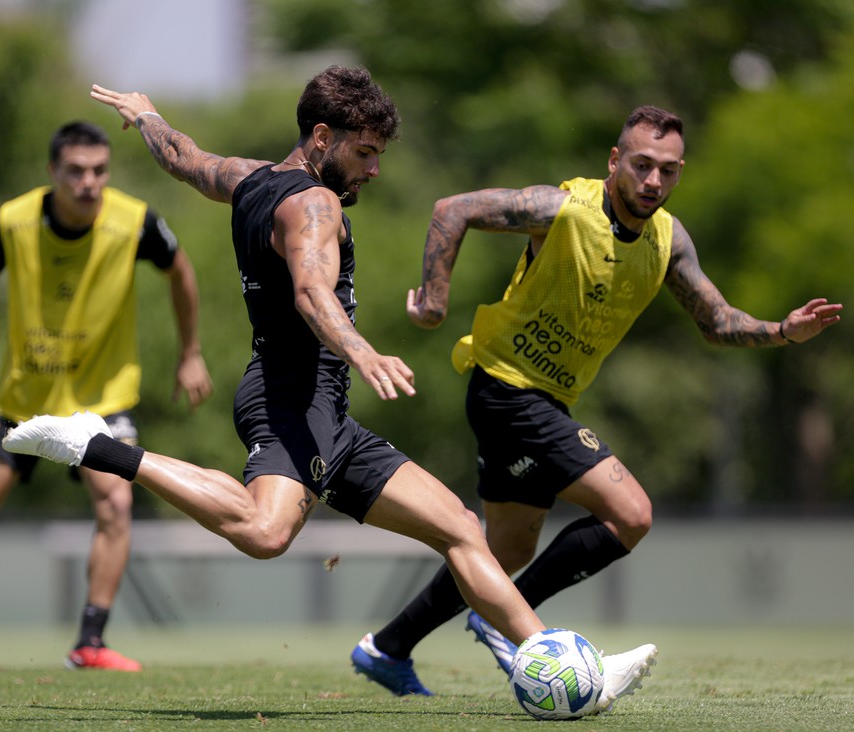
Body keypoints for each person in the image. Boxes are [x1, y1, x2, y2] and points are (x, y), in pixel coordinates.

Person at [1, 67, 656, 711]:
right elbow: (313, 296)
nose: (374, 169)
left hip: (323, 411)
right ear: (321, 137)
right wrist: (363, 350)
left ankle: (563, 667)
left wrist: (147, 117)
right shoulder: (313, 206)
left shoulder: (252, 178)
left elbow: (184, 158)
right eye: (364, 152)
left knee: (459, 529)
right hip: (292, 401)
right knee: (264, 532)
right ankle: (99, 445)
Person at [351, 105, 843, 695]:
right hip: (508, 390)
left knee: (503, 549)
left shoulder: (668, 239)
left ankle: (388, 647)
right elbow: (451, 210)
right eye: (641, 165)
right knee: (631, 513)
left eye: (668, 169)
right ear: (615, 162)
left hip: (542, 400)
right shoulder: (563, 209)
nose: (654, 181)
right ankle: (514, 626)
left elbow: (716, 321)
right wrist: (433, 302)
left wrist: (783, 331)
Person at [0, 121, 213, 672]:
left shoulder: (135, 221)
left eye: (99, 170)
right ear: (52, 172)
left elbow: (181, 272)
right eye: (76, 171)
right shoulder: (14, 220)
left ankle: (90, 642)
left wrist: (191, 351)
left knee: (117, 505)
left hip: (102, 399)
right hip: (22, 396)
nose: (89, 182)